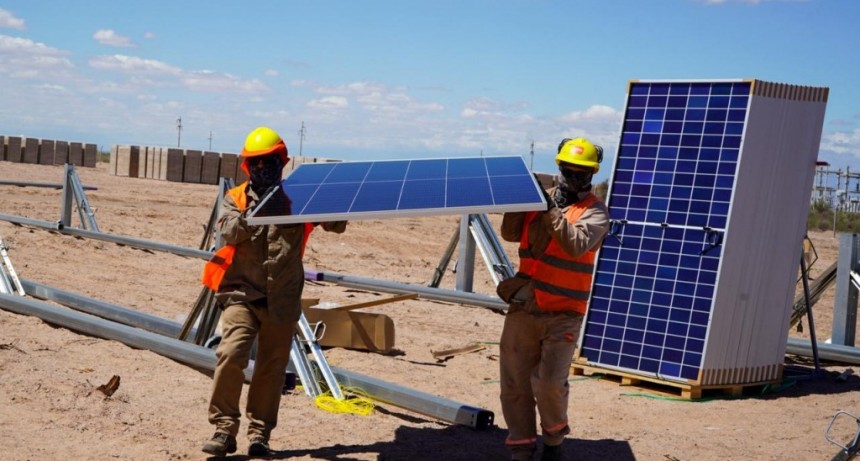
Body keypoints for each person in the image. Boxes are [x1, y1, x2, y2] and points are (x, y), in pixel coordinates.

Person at [200, 126, 347, 457]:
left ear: (283, 162)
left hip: (282, 298)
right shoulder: (235, 198)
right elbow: (229, 231)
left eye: (270, 162)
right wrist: (259, 209)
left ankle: (259, 434)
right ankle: (224, 429)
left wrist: (330, 198)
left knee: (271, 368)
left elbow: (337, 224)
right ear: (247, 167)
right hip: (242, 295)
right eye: (258, 163)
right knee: (232, 354)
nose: (264, 169)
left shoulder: (300, 200)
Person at [497, 137, 610, 461]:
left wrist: (550, 209)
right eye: (569, 170)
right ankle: (521, 450)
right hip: (524, 306)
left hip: (563, 313)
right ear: (559, 168)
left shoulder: (595, 213)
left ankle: (553, 442)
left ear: (592, 175)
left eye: (582, 173)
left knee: (548, 384)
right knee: (515, 384)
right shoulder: (541, 202)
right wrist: (521, 201)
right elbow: (510, 233)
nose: (574, 177)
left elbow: (575, 245)